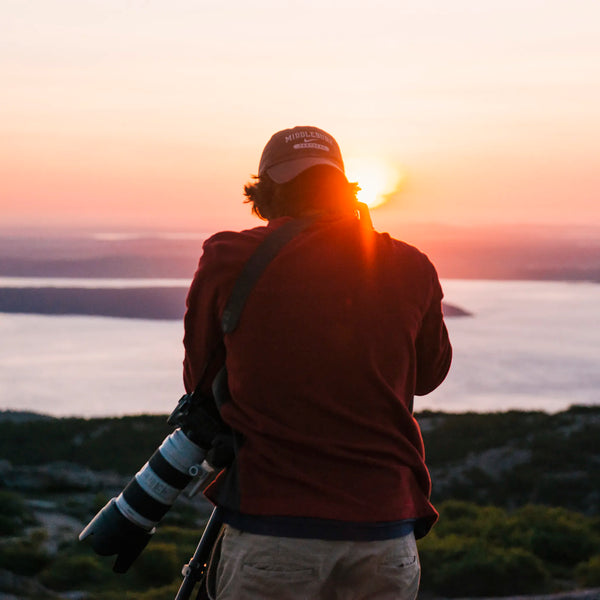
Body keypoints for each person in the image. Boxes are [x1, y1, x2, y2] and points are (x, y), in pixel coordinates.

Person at [182, 126, 452, 600]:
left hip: (274, 528)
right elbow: (429, 375)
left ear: (264, 193)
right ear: (342, 188)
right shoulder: (411, 266)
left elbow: (200, 381)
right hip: (386, 532)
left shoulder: (229, 258)